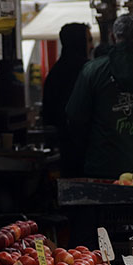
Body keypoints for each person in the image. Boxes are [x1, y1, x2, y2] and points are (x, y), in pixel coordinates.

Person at [65, 14, 133, 179]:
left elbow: (74, 117)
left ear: (112, 37)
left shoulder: (92, 71)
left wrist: (95, 146)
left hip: (101, 169)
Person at [42, 23, 93, 178]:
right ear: (79, 42)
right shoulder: (89, 72)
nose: (92, 46)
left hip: (65, 152)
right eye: (89, 40)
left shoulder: (55, 73)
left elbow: (48, 115)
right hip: (88, 152)